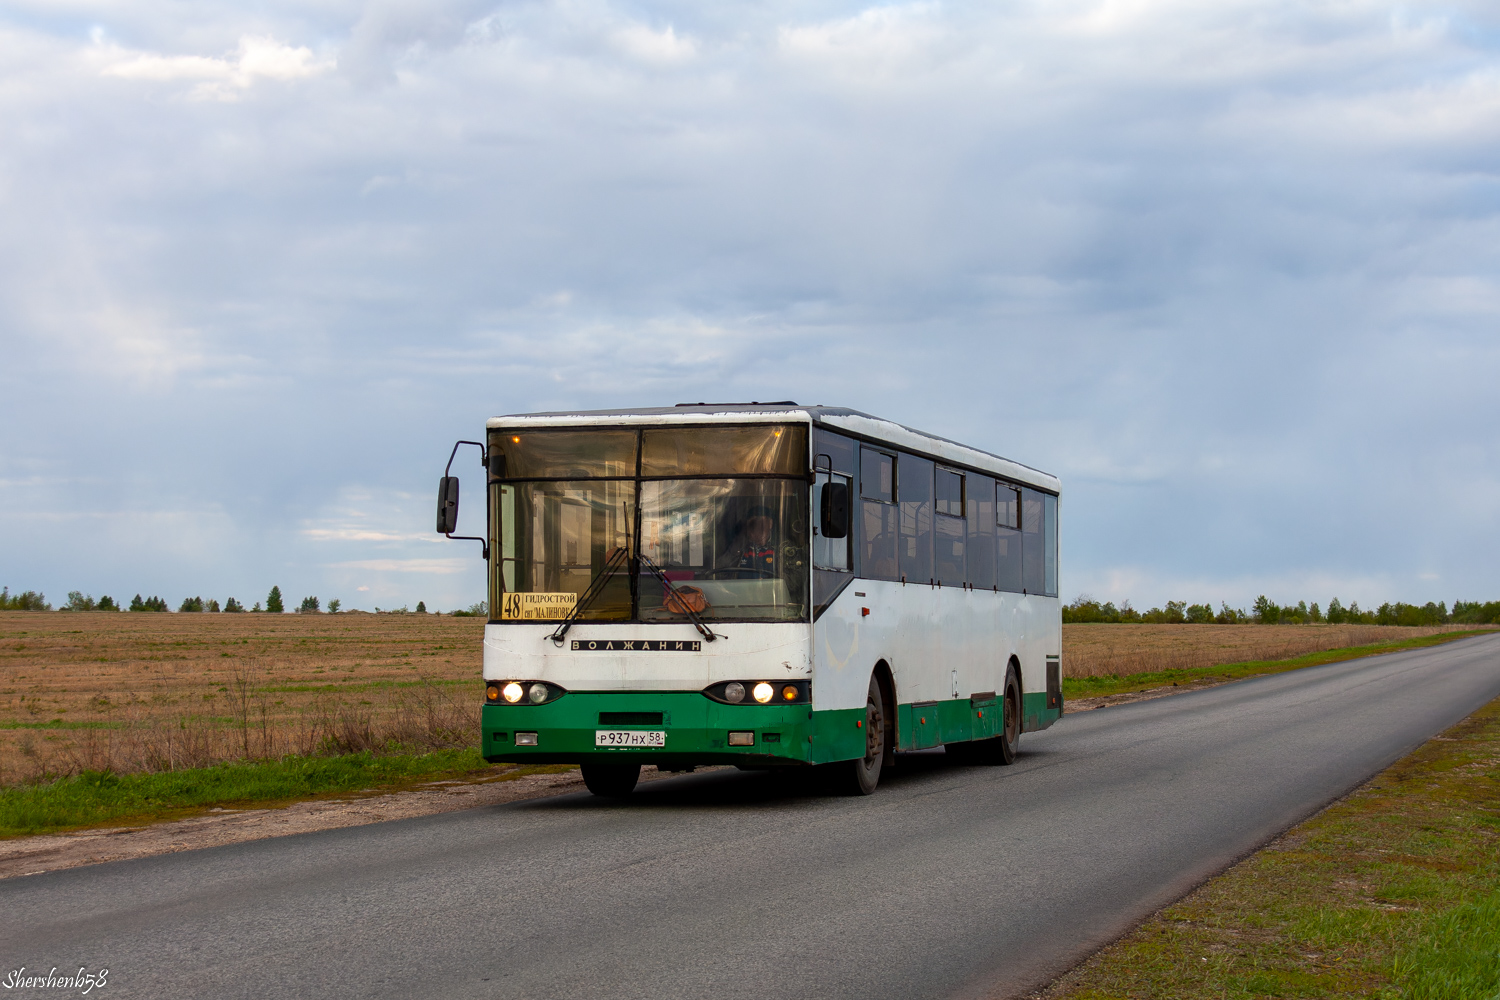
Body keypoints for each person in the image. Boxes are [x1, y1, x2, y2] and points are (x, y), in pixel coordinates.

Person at [716, 505, 779, 577]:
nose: (756, 528)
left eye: (760, 524)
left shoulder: (780, 548)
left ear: (770, 524)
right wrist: (740, 540)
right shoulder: (740, 547)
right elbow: (718, 569)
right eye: (752, 524)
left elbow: (789, 581)